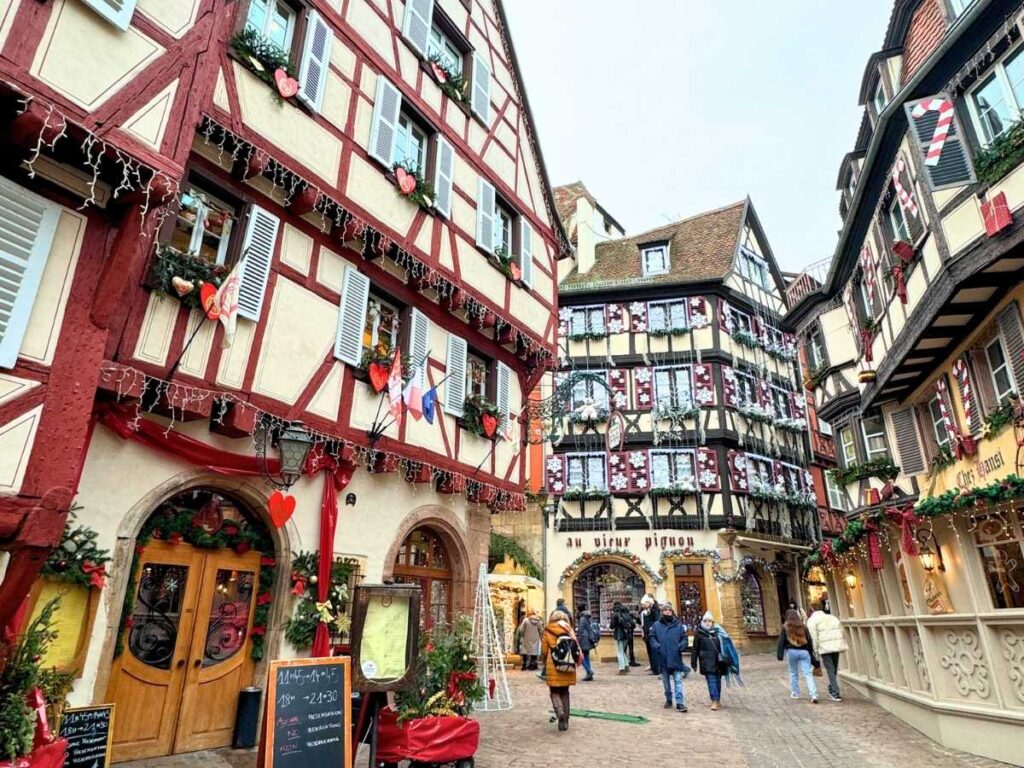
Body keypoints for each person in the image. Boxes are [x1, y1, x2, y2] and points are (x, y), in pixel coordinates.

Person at [540, 609, 578, 731]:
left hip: (553, 664)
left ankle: (559, 711)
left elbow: (545, 650)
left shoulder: (548, 630)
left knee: (554, 691)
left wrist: (544, 661)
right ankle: (565, 721)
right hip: (568, 663)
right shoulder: (569, 629)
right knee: (565, 692)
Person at [648, 602, 688, 712]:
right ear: (662, 612)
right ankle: (669, 699)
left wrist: (681, 646)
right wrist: (657, 646)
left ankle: (679, 702)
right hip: (663, 657)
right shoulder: (656, 625)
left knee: (678, 681)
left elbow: (684, 638)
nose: (667, 612)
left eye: (669, 610)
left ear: (672, 612)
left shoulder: (678, 625)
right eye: (665, 610)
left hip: (675, 657)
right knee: (666, 682)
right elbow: (652, 638)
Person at [806, 600, 847, 701]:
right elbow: (841, 630)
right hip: (836, 646)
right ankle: (832, 688)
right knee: (833, 668)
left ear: (812, 609)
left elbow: (813, 636)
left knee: (830, 669)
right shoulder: (832, 617)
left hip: (825, 647)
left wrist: (815, 650)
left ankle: (835, 692)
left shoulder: (812, 620)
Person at [777, 608, 819, 703]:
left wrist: (780, 654)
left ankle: (795, 693)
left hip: (791, 651)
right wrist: (811, 651)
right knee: (807, 673)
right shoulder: (803, 626)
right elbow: (809, 639)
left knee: (793, 673)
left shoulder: (786, 627)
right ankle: (813, 694)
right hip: (804, 651)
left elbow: (781, 641)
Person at [691, 611, 727, 710]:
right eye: (706, 621)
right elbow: (695, 649)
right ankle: (714, 700)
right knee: (711, 680)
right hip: (706, 661)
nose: (708, 623)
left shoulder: (718, 632)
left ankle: (717, 699)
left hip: (718, 662)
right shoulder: (699, 633)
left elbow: (726, 646)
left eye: (710, 621)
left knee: (718, 681)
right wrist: (693, 663)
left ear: (713, 622)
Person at [609, 601, 634, 674]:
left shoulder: (615, 614)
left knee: (620, 652)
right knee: (622, 651)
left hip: (619, 635)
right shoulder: (626, 613)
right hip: (627, 634)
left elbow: (612, 626)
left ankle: (622, 668)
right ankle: (626, 666)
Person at [576, 610, 600, 681]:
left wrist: (578, 642)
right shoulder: (587, 619)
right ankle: (589, 675)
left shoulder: (582, 619)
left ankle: (589, 671)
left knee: (580, 658)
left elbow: (580, 631)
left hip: (583, 641)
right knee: (586, 657)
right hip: (588, 641)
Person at [640, 595, 660, 675]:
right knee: (650, 652)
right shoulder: (647, 611)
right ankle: (653, 667)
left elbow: (656, 621)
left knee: (654, 652)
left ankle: (656, 669)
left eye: (645, 604)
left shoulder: (654, 611)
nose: (643, 606)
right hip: (647, 634)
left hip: (652, 634)